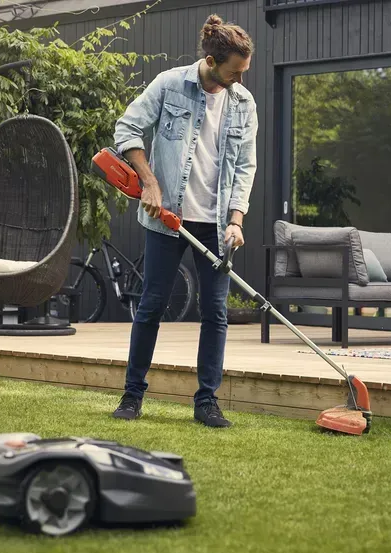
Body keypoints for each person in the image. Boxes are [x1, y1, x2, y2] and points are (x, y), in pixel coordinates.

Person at [110, 14, 257, 428]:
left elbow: (245, 167)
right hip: (167, 220)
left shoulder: (244, 104)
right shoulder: (169, 83)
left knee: (216, 312)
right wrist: (149, 182)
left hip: (215, 225)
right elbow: (127, 129)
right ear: (211, 61)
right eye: (233, 73)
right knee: (152, 306)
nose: (239, 81)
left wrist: (236, 221)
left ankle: (207, 401)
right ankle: (132, 395)